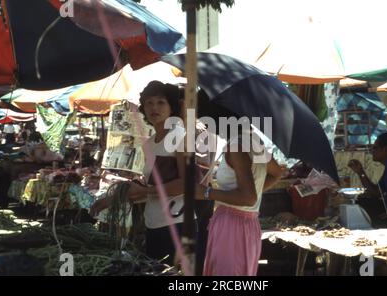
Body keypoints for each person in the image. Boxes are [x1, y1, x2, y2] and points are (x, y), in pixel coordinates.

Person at [90, 80, 189, 265]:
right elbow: (150, 187)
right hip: (153, 223)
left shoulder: (180, 138)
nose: (154, 108)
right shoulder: (149, 144)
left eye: (161, 102)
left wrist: (143, 191)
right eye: (149, 103)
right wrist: (112, 200)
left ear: (171, 107)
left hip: (177, 225)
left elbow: (186, 185)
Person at [195, 128, 283, 276]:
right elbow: (277, 173)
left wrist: (207, 192)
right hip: (248, 225)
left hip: (231, 226)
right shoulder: (255, 143)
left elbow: (248, 198)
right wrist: (252, 191)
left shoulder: (237, 147)